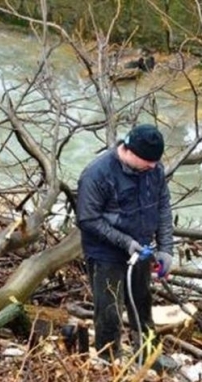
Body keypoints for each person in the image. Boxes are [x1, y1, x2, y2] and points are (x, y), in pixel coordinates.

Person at [76, 123, 174, 360]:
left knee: (142, 306)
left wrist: (166, 250)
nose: (153, 167)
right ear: (129, 151)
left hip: (141, 250)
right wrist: (125, 242)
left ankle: (148, 356)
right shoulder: (97, 174)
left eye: (155, 163)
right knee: (109, 313)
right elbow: (88, 219)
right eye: (147, 162)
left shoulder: (153, 170)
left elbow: (163, 208)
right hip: (106, 254)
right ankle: (109, 361)